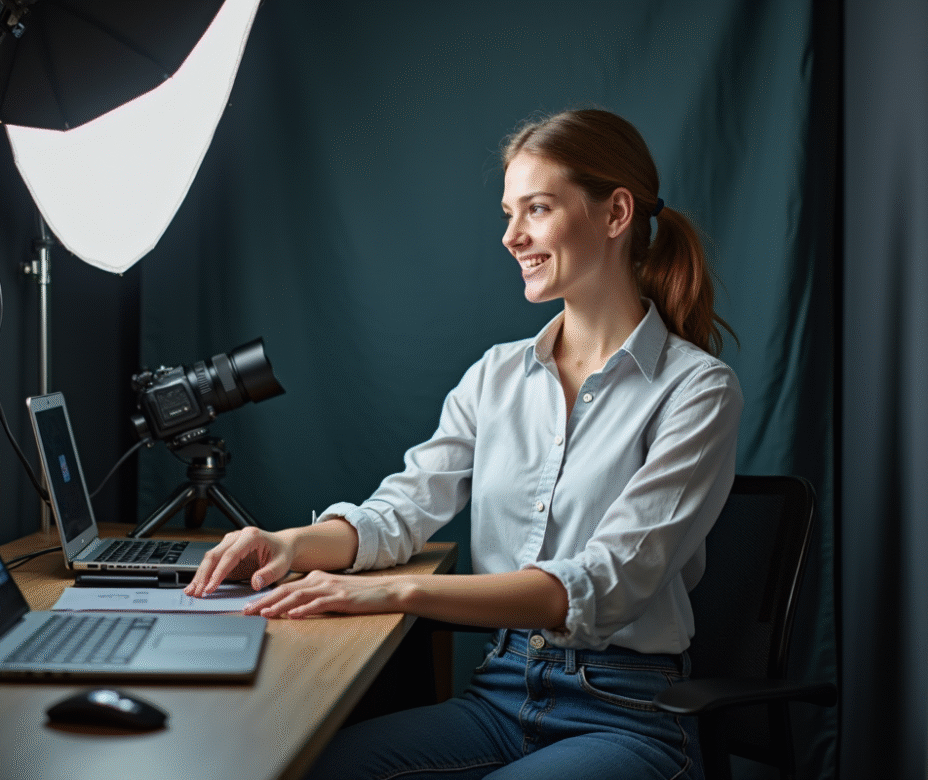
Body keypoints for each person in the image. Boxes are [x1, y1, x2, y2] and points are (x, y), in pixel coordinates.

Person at [184, 108, 742, 780]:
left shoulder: (697, 390)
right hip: (501, 695)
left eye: (536, 209)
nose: (512, 236)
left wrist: (401, 595)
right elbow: (400, 513)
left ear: (616, 213)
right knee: (312, 768)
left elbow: (602, 585)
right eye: (508, 213)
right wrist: (288, 545)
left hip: (627, 715)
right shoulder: (497, 375)